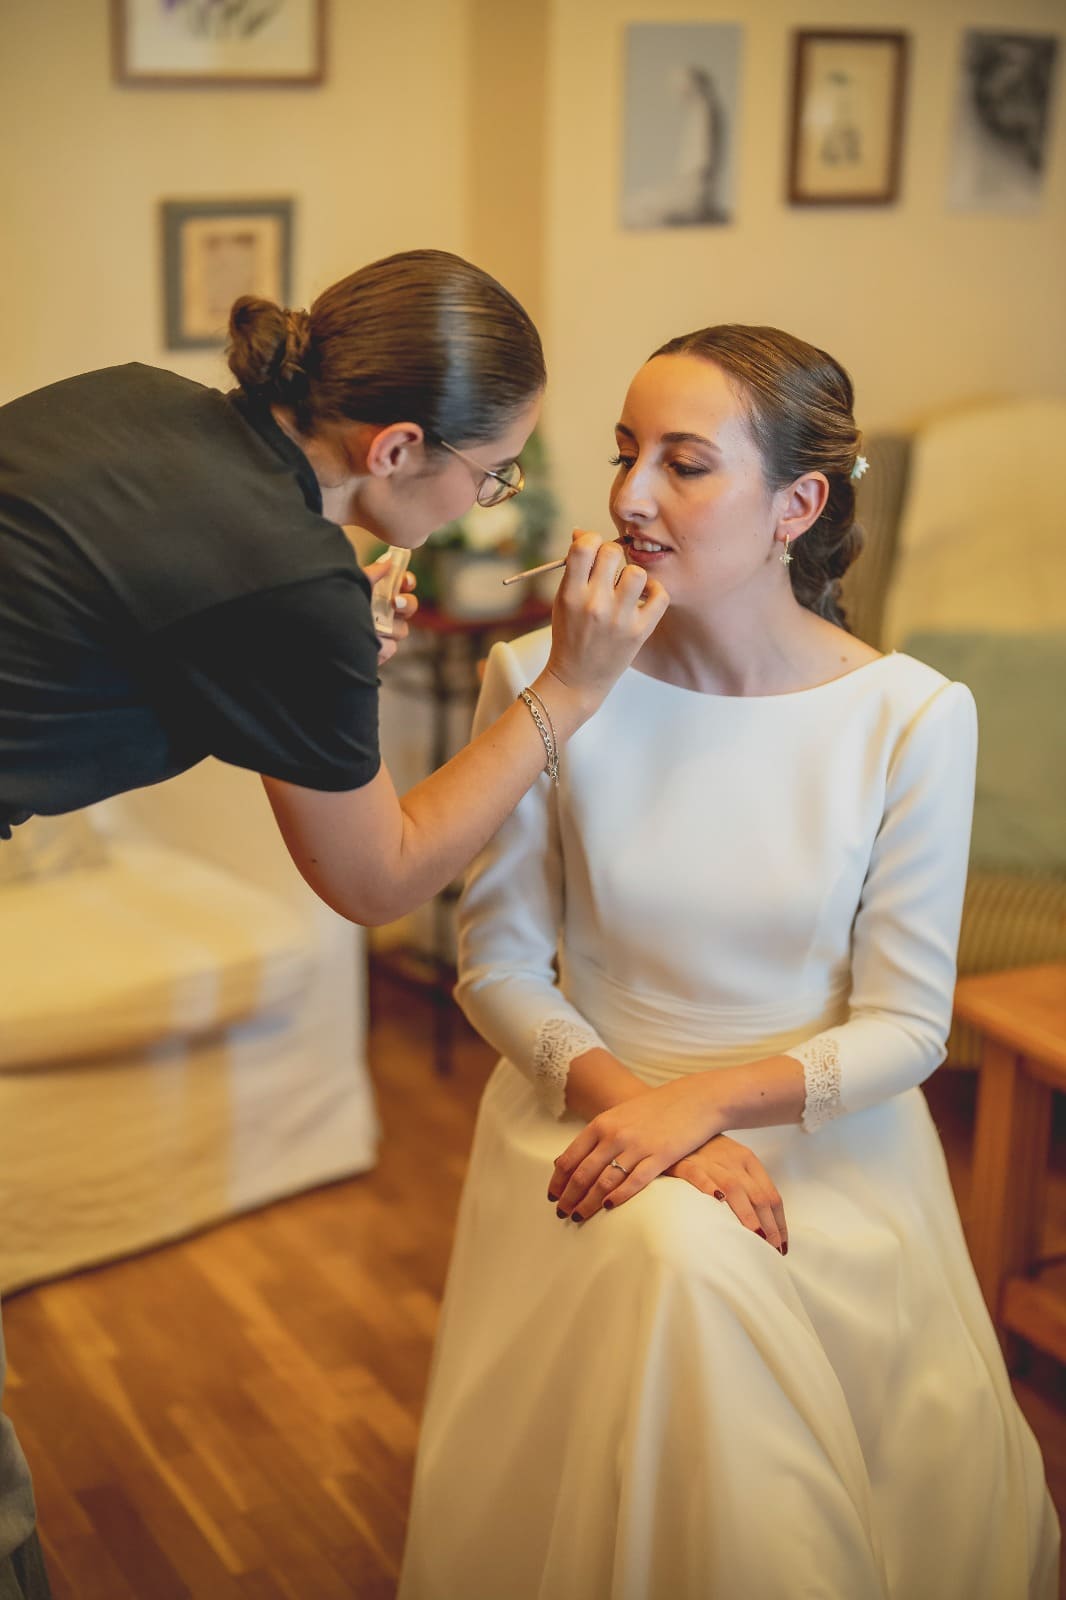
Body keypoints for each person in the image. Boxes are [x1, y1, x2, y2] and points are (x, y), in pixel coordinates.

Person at [0, 247, 668, 1598]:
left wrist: (313, 639)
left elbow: (155, 619)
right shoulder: (283, 582)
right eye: (492, 475)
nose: (498, 498)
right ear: (399, 445)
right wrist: (575, 692)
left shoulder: (154, 406)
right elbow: (377, 880)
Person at [399, 324, 1059, 1599]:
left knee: (705, 1264)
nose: (631, 497)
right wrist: (647, 1122)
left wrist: (696, 1107)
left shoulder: (910, 716)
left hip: (823, 1137)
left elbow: (909, 1026)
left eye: (685, 464)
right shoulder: (536, 679)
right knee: (682, 1258)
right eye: (624, 454)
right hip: (581, 1115)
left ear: (796, 506)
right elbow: (497, 968)